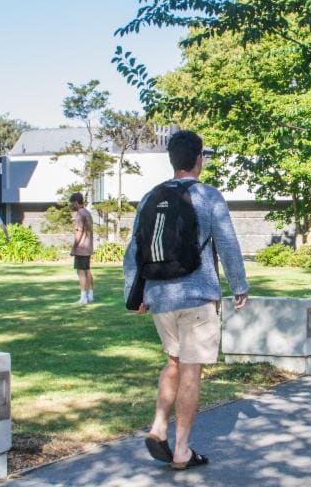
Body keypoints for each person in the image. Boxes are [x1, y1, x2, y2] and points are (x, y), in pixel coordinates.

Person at [124, 130, 249, 470]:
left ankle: (158, 426)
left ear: (172, 160)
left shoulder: (151, 196)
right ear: (198, 160)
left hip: (160, 296)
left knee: (173, 362)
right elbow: (228, 243)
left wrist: (134, 294)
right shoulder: (209, 196)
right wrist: (239, 285)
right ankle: (181, 450)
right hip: (197, 296)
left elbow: (133, 250)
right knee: (192, 370)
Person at [69, 192, 95, 305]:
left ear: (76, 202)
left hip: (81, 248)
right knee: (87, 270)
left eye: (72, 203)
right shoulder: (87, 213)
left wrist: (74, 247)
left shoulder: (79, 214)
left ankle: (83, 298)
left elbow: (79, 232)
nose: (72, 206)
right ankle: (90, 295)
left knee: (81, 272)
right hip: (88, 246)